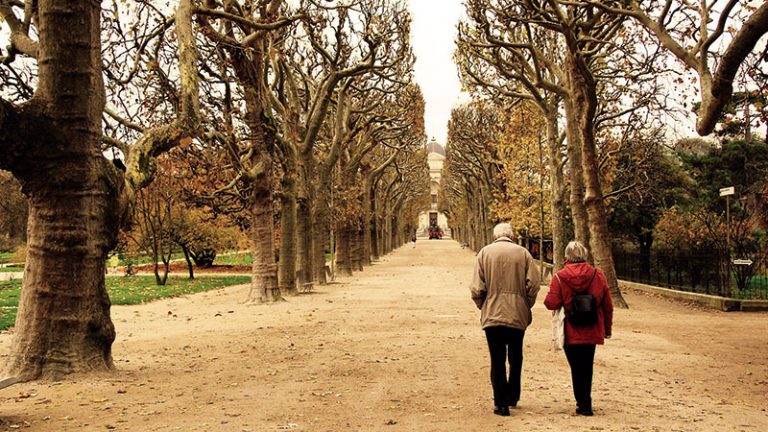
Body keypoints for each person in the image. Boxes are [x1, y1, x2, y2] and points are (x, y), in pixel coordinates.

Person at [469, 223, 540, 416]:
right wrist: (525, 304)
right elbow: (533, 284)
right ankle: (513, 396)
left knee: (497, 359)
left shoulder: (484, 253)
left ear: (494, 236)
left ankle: (500, 403)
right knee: (516, 357)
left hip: (492, 314)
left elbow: (477, 287)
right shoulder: (523, 253)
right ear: (512, 236)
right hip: (517, 314)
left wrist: (483, 305)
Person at [544, 240, 613, 416]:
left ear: (566, 256)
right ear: (585, 255)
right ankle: (586, 403)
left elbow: (551, 303)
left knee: (576, 367)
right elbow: (607, 305)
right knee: (587, 365)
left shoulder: (560, 276)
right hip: (592, 327)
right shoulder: (598, 274)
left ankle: (581, 402)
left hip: (571, 329)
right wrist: (607, 329)